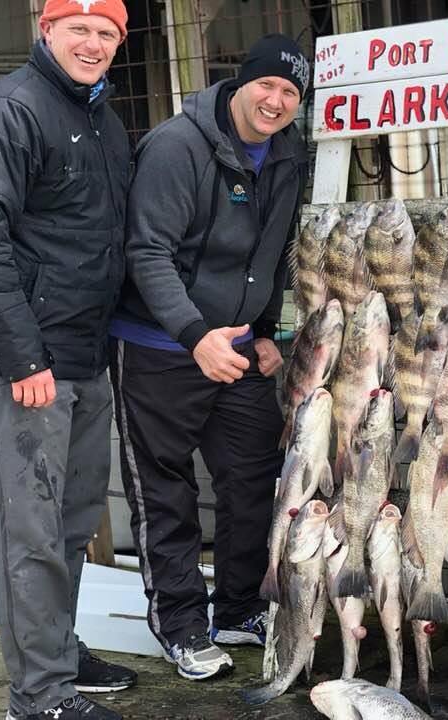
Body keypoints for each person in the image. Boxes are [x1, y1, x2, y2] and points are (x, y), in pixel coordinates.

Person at [0, 1, 136, 718]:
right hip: (20, 361)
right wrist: (24, 360)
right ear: (46, 30)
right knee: (29, 526)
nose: (92, 43)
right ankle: (39, 696)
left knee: (72, 518)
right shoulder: (4, 113)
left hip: (83, 352)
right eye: (78, 28)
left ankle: (55, 653)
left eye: (106, 32)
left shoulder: (103, 121)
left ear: (120, 41)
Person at [109, 34, 310, 680]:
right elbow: (146, 253)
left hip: (234, 345)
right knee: (164, 489)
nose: (276, 101)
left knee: (254, 476)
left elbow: (272, 250)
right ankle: (182, 627)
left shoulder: (287, 154)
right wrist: (196, 336)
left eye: (290, 93)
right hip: (160, 347)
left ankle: (239, 607)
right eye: (267, 86)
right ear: (240, 82)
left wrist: (265, 331)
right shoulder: (176, 146)